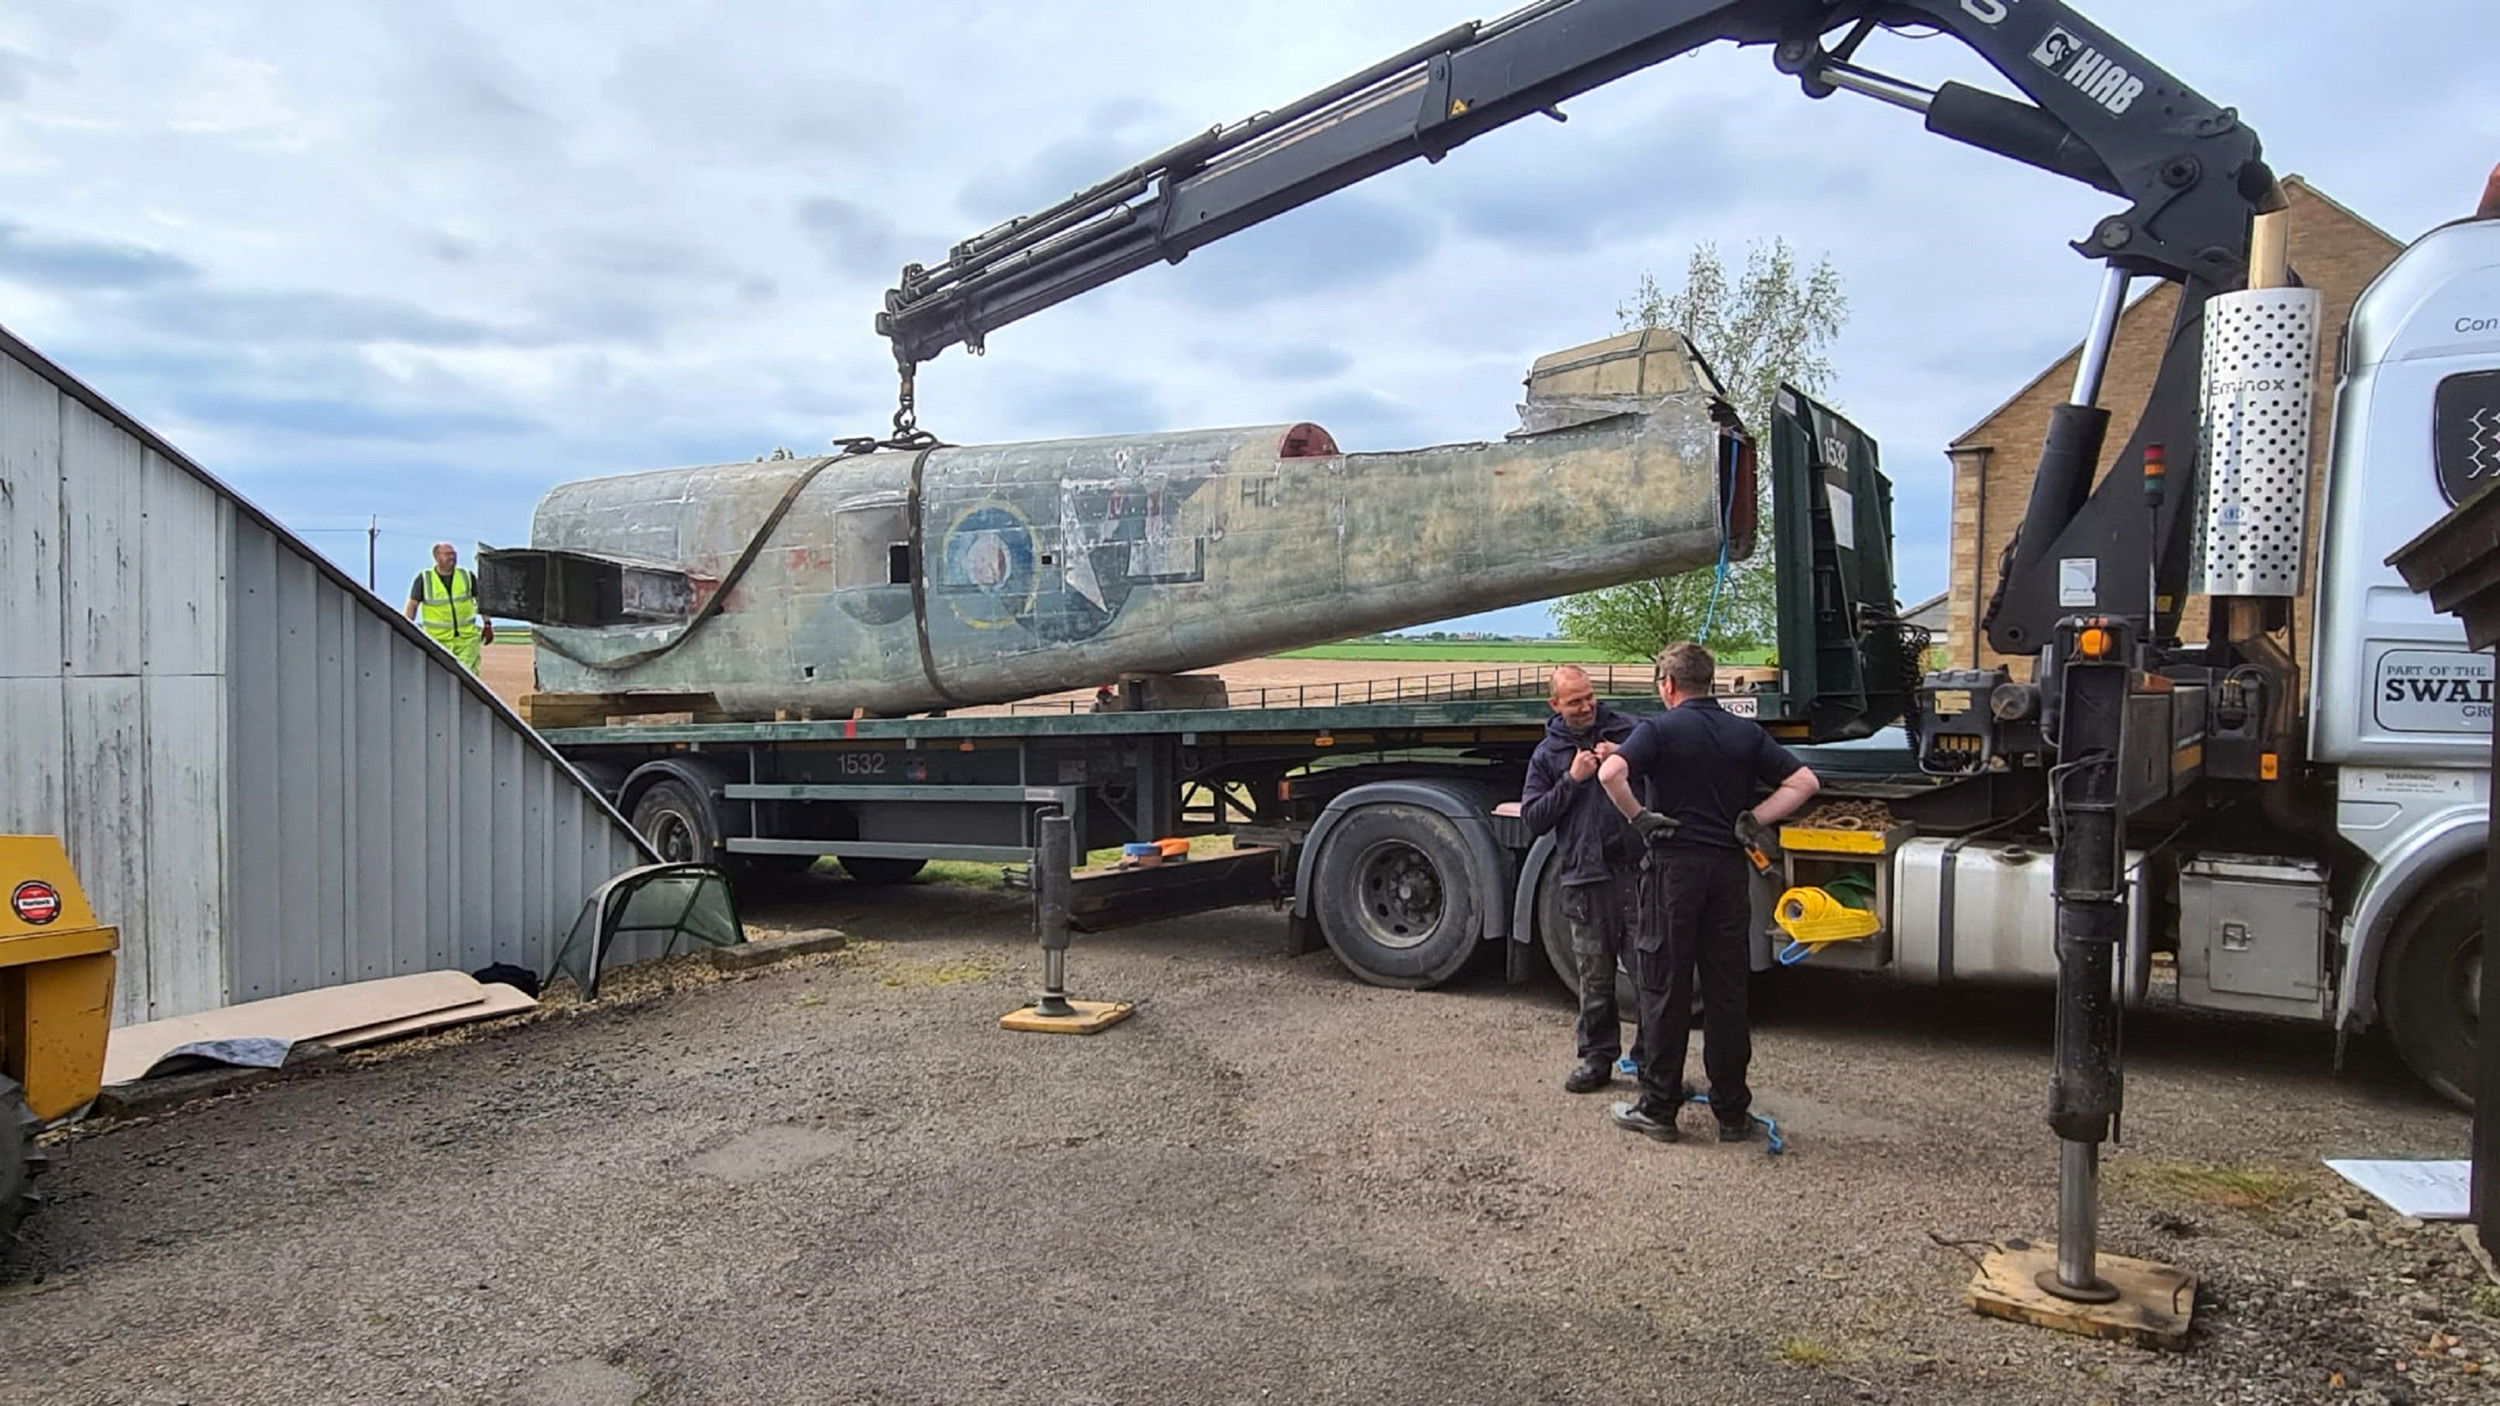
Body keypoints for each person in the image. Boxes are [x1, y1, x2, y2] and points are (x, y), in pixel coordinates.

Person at [1597, 642, 1819, 1143]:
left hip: (1673, 869)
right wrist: (1753, 820)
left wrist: (1639, 818)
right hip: (1726, 870)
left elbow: (1612, 773)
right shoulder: (1745, 733)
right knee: (1726, 991)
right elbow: (1805, 782)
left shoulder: (1656, 729)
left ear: (1669, 685)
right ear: (1711, 681)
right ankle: (1732, 1113)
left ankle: (1658, 1107)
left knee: (1664, 987)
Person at [1518, 665, 1640, 1094]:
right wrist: (1573, 780)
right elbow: (1533, 817)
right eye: (1575, 701)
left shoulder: (1630, 731)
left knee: (1651, 974)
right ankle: (1596, 1058)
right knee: (1595, 976)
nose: (1587, 706)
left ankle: (1651, 1059)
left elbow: (1662, 774)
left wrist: (1624, 758)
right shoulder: (1546, 756)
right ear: (1555, 705)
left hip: (1635, 872)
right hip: (1584, 878)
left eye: (1589, 696)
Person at [403, 541, 493, 671]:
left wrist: (487, 624)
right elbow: (412, 606)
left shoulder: (466, 576)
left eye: (454, 554)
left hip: (466, 640)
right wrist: (407, 629)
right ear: (437, 556)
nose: (452, 557)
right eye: (448, 554)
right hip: (438, 641)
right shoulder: (424, 579)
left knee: (468, 677)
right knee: (439, 676)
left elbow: (481, 601)